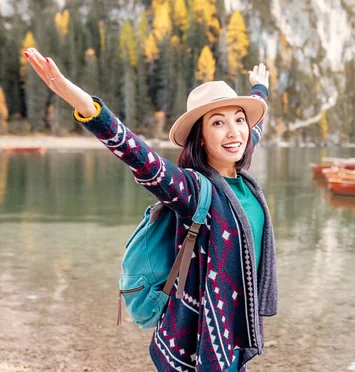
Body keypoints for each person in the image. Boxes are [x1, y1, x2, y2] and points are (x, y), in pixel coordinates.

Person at [23, 47, 278, 372]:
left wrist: (260, 90)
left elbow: (254, 130)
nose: (234, 132)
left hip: (233, 330)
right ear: (199, 137)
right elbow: (139, 156)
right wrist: (85, 106)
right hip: (200, 338)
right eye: (218, 122)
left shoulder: (242, 177)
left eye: (239, 119)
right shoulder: (192, 188)